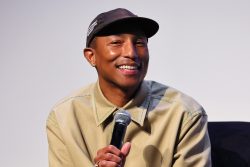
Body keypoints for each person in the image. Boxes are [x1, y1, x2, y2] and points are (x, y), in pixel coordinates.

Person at [46, 8, 211, 167]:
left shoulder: (184, 114)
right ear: (91, 56)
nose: (131, 53)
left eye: (139, 43)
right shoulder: (64, 118)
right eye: (116, 42)